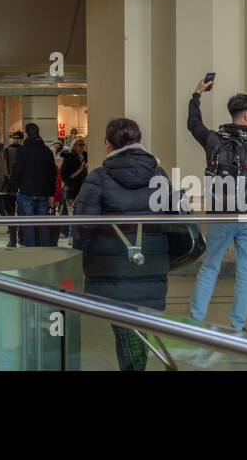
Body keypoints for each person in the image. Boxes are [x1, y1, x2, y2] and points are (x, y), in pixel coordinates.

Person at [73, 117, 172, 371]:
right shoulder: (160, 175)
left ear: (108, 144)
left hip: (111, 268)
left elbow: (83, 226)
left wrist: (79, 258)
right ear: (139, 142)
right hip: (151, 264)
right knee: (138, 327)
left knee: (126, 330)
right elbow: (175, 220)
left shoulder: (98, 178)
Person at [186, 80, 247, 334]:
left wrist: (197, 94)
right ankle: (238, 327)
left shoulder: (213, 140)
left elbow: (193, 124)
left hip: (221, 216)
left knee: (209, 267)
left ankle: (195, 323)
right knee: (245, 272)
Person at [11, 123, 57, 247]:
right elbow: (52, 174)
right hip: (44, 193)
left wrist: (16, 187)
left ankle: (31, 255)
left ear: (26, 134)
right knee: (43, 226)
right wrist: (51, 193)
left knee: (29, 226)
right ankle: (45, 254)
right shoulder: (47, 151)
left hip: (26, 192)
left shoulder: (23, 150)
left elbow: (19, 170)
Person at [1, 130, 24, 247]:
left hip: (7, 188)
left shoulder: (5, 151)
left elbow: (2, 169)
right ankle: (22, 237)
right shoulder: (24, 151)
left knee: (10, 213)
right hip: (22, 187)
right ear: (22, 140)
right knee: (21, 213)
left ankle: (12, 239)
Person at [61, 136, 88, 210]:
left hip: (83, 185)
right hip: (72, 186)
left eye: (83, 145)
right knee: (73, 209)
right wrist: (81, 169)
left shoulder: (85, 155)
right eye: (80, 145)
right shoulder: (69, 158)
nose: (82, 147)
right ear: (74, 146)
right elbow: (66, 175)